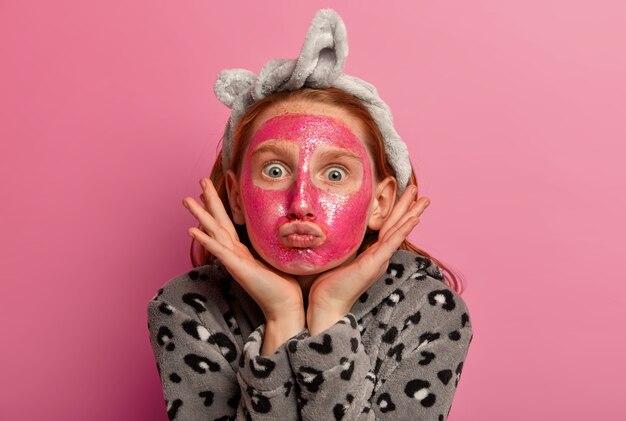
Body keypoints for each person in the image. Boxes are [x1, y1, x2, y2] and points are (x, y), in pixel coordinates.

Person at [148, 9, 472, 421]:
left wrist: (329, 315)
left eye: (335, 174)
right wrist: (281, 316)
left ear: (380, 202)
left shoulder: (427, 309)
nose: (300, 202)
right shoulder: (186, 308)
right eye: (275, 170)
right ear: (235, 198)